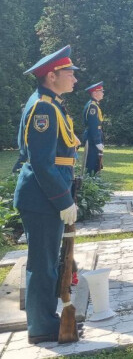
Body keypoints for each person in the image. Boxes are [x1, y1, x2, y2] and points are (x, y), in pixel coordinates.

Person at [14, 45, 82, 344]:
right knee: (42, 264)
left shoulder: (50, 103)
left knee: (47, 261)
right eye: (70, 73)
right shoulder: (44, 107)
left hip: (44, 196)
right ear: (52, 76)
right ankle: (41, 326)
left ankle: (46, 318)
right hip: (43, 199)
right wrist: (63, 200)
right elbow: (42, 162)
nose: (74, 79)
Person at [82, 82, 105, 174]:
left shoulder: (94, 105)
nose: (103, 93)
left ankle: (94, 180)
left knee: (96, 161)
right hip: (92, 139)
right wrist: (97, 141)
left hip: (93, 138)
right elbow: (93, 125)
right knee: (92, 162)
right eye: (101, 91)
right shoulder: (92, 106)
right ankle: (91, 181)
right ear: (95, 93)